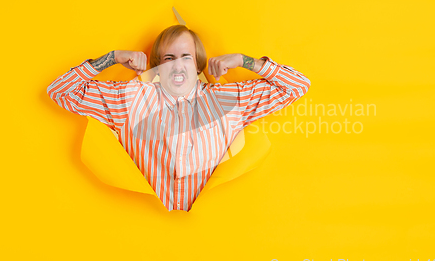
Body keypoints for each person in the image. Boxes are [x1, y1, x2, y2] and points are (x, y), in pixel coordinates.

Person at [47, 25, 311, 211]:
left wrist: (245, 61)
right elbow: (60, 91)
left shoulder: (229, 99)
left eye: (186, 56)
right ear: (157, 65)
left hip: (215, 235)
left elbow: (296, 86)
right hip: (142, 234)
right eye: (168, 57)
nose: (177, 65)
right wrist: (112, 58)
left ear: (197, 64)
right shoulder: (129, 99)